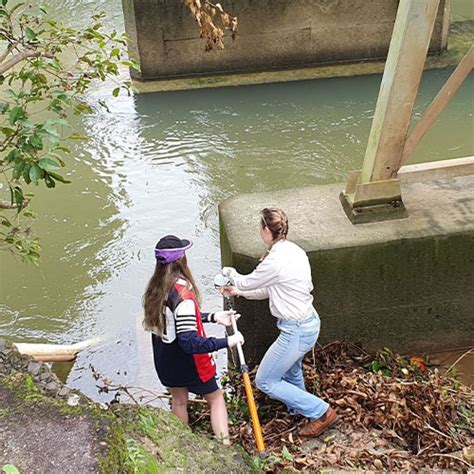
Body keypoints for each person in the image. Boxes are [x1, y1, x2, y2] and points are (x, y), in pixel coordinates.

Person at [221, 208, 337, 438]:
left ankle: (322, 413)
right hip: (307, 322)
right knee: (292, 370)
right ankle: (297, 410)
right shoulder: (294, 251)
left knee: (265, 380)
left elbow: (247, 281)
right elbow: (268, 289)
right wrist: (239, 293)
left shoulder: (274, 260)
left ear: (266, 230)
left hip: (295, 331)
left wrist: (231, 275)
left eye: (259, 227)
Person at [143, 234, 244, 444]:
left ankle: (183, 445)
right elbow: (189, 342)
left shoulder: (155, 290)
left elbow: (175, 322)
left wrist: (215, 317)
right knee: (216, 399)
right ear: (182, 260)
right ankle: (225, 446)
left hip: (165, 361)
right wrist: (228, 341)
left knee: (179, 401)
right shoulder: (183, 295)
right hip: (190, 365)